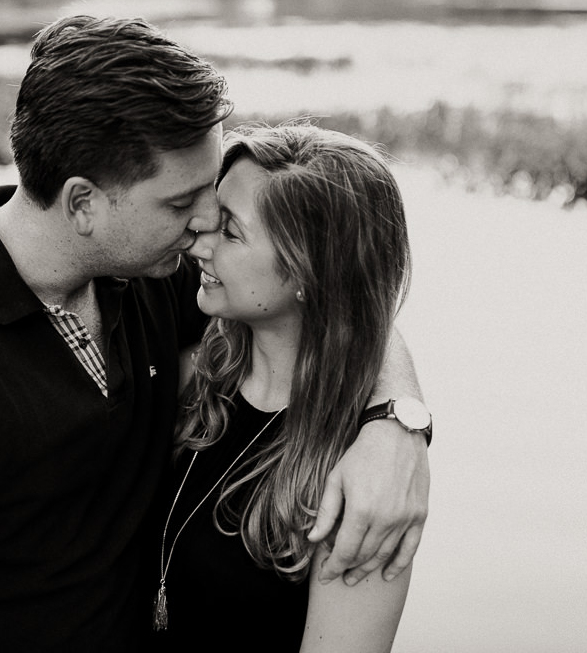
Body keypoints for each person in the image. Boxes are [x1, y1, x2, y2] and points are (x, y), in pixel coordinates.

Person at [0, 15, 430, 652]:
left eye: (213, 196)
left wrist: (397, 422)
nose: (203, 226)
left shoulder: (154, 273)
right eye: (180, 202)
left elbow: (339, 303)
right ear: (83, 203)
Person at [147, 123, 421, 653]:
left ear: (307, 270)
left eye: (230, 231)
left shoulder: (362, 488)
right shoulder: (196, 375)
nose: (198, 240)